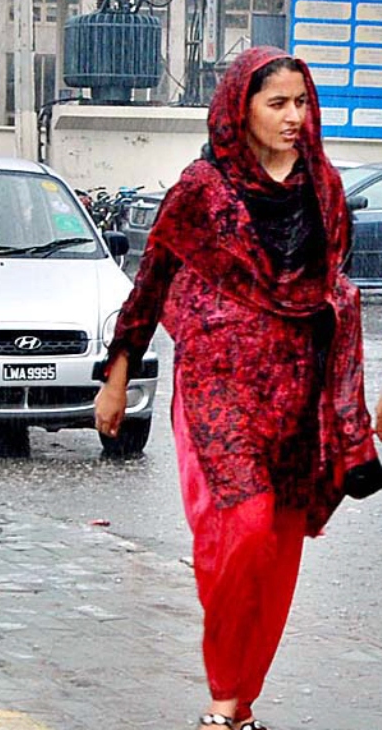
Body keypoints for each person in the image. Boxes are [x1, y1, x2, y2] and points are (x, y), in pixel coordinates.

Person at [94, 46, 382, 730]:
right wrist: (117, 374)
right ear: (239, 109)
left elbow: (332, 289)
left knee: (276, 551)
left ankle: (236, 705)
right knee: (243, 531)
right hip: (218, 383)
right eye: (276, 104)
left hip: (296, 391)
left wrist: (349, 407)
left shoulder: (324, 185)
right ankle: (224, 697)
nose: (293, 118)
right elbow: (153, 279)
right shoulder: (201, 188)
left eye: (300, 104)